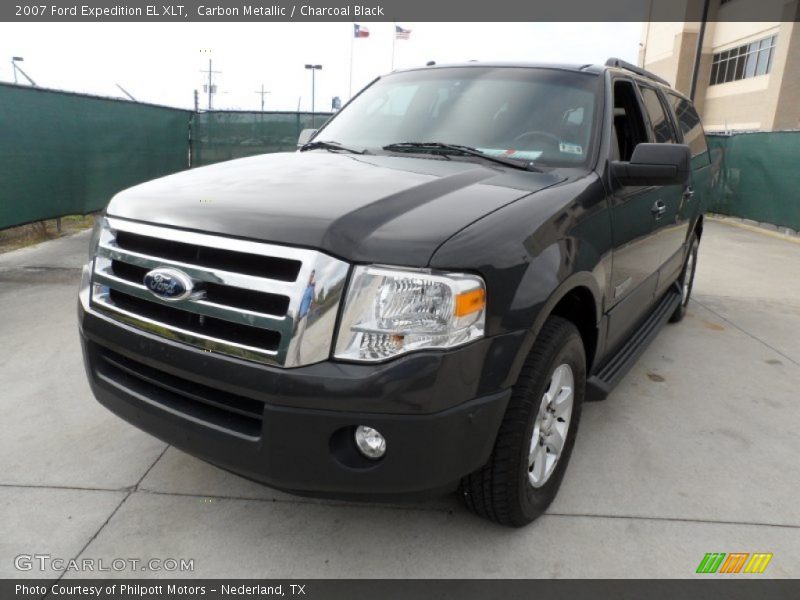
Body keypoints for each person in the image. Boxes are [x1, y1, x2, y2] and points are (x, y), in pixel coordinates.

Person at [293, 270, 316, 363]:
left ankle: (294, 361)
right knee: (298, 339)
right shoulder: (305, 289)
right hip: (299, 318)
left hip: (304, 316)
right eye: (310, 276)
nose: (309, 278)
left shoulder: (311, 290)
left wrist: (314, 287)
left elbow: (314, 300)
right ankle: (298, 361)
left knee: (298, 340)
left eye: (312, 277)